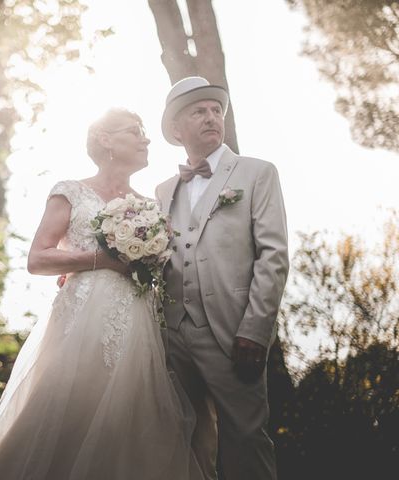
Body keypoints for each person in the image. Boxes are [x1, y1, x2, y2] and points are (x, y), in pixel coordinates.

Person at [0, 108, 203, 480]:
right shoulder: (71, 192)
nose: (146, 140)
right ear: (106, 140)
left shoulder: (150, 207)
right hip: (80, 324)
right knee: (64, 418)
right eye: (136, 132)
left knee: (130, 425)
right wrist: (96, 259)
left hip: (139, 326)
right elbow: (38, 258)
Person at [155, 76, 289, 480]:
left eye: (216, 110)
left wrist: (256, 329)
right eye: (199, 111)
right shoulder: (163, 190)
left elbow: (274, 255)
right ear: (178, 130)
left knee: (247, 438)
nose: (212, 117)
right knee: (184, 440)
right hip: (172, 334)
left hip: (234, 331)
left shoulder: (257, 173)